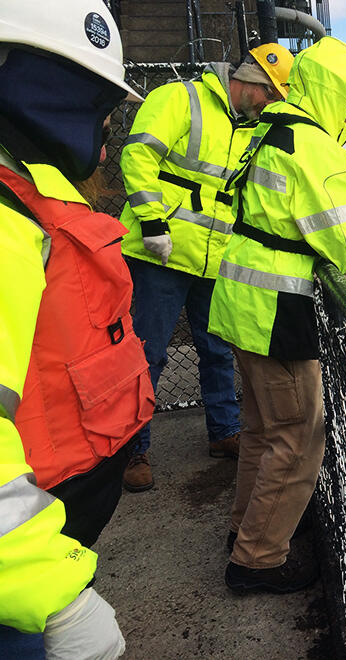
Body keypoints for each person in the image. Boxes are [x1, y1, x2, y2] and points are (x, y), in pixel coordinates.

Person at [208, 36, 346, 594]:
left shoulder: (273, 129)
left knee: (260, 431)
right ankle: (257, 560)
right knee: (297, 438)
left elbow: (314, 203)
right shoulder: (312, 144)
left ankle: (243, 532)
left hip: (242, 298)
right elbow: (341, 234)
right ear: (331, 92)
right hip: (276, 309)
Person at [0, 0, 153, 656]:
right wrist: (51, 593)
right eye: (93, 98)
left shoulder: (28, 184)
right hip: (21, 583)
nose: (107, 120)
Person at [118, 43, 295, 492]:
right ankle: (132, 450)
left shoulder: (252, 127)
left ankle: (223, 432)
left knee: (217, 351)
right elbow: (137, 156)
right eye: (271, 94)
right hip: (160, 251)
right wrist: (152, 220)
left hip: (212, 256)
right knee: (146, 353)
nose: (273, 104)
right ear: (251, 81)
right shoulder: (180, 99)